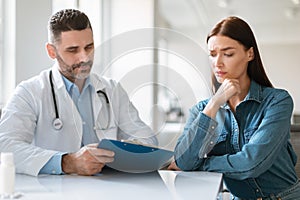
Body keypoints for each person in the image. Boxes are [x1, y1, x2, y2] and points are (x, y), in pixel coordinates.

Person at [0, 9, 157, 176]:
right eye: (73, 50)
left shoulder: (112, 90)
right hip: (54, 191)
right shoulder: (30, 92)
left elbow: (148, 140)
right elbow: (6, 145)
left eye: (89, 47)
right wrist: (67, 162)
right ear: (52, 51)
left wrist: (123, 150)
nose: (84, 58)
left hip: (108, 189)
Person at [170, 16, 300, 199]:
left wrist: (202, 164)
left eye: (228, 54)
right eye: (213, 54)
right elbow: (183, 161)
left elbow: (251, 163)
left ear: (250, 54)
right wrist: (214, 104)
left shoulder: (278, 101)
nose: (218, 63)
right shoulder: (203, 109)